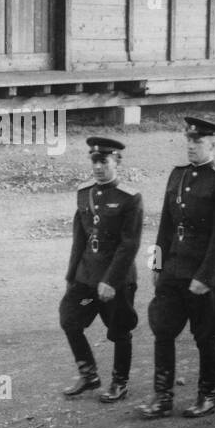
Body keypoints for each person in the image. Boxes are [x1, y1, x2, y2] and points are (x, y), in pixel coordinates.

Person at [141, 116, 215, 419]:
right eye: (189, 141)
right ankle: (162, 397)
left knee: (205, 336)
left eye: (198, 142)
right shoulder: (178, 174)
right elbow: (166, 225)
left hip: (204, 274)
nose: (192, 146)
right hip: (173, 269)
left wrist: (205, 277)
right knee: (163, 330)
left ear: (212, 143)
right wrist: (155, 264)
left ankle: (207, 396)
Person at [60, 136, 143, 403]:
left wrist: (111, 280)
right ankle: (89, 374)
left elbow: (129, 245)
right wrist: (71, 276)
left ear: (117, 161)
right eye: (94, 161)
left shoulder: (129, 198)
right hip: (86, 276)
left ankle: (120, 382)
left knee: (119, 329)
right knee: (69, 318)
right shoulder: (84, 192)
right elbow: (79, 239)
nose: (98, 167)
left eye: (103, 161)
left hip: (116, 279)